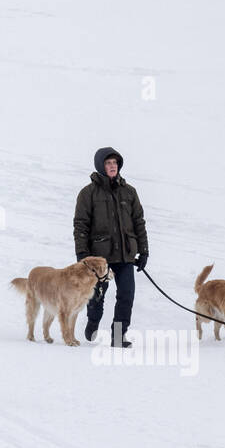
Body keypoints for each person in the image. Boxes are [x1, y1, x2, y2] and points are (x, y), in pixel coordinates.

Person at [73, 146, 149, 348]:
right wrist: (82, 254)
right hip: (99, 260)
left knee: (127, 295)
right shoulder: (87, 194)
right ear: (100, 166)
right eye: (108, 163)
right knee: (96, 297)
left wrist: (144, 251)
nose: (112, 166)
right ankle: (93, 322)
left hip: (125, 256)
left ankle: (118, 335)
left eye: (115, 163)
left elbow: (139, 222)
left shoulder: (129, 192)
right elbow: (80, 225)